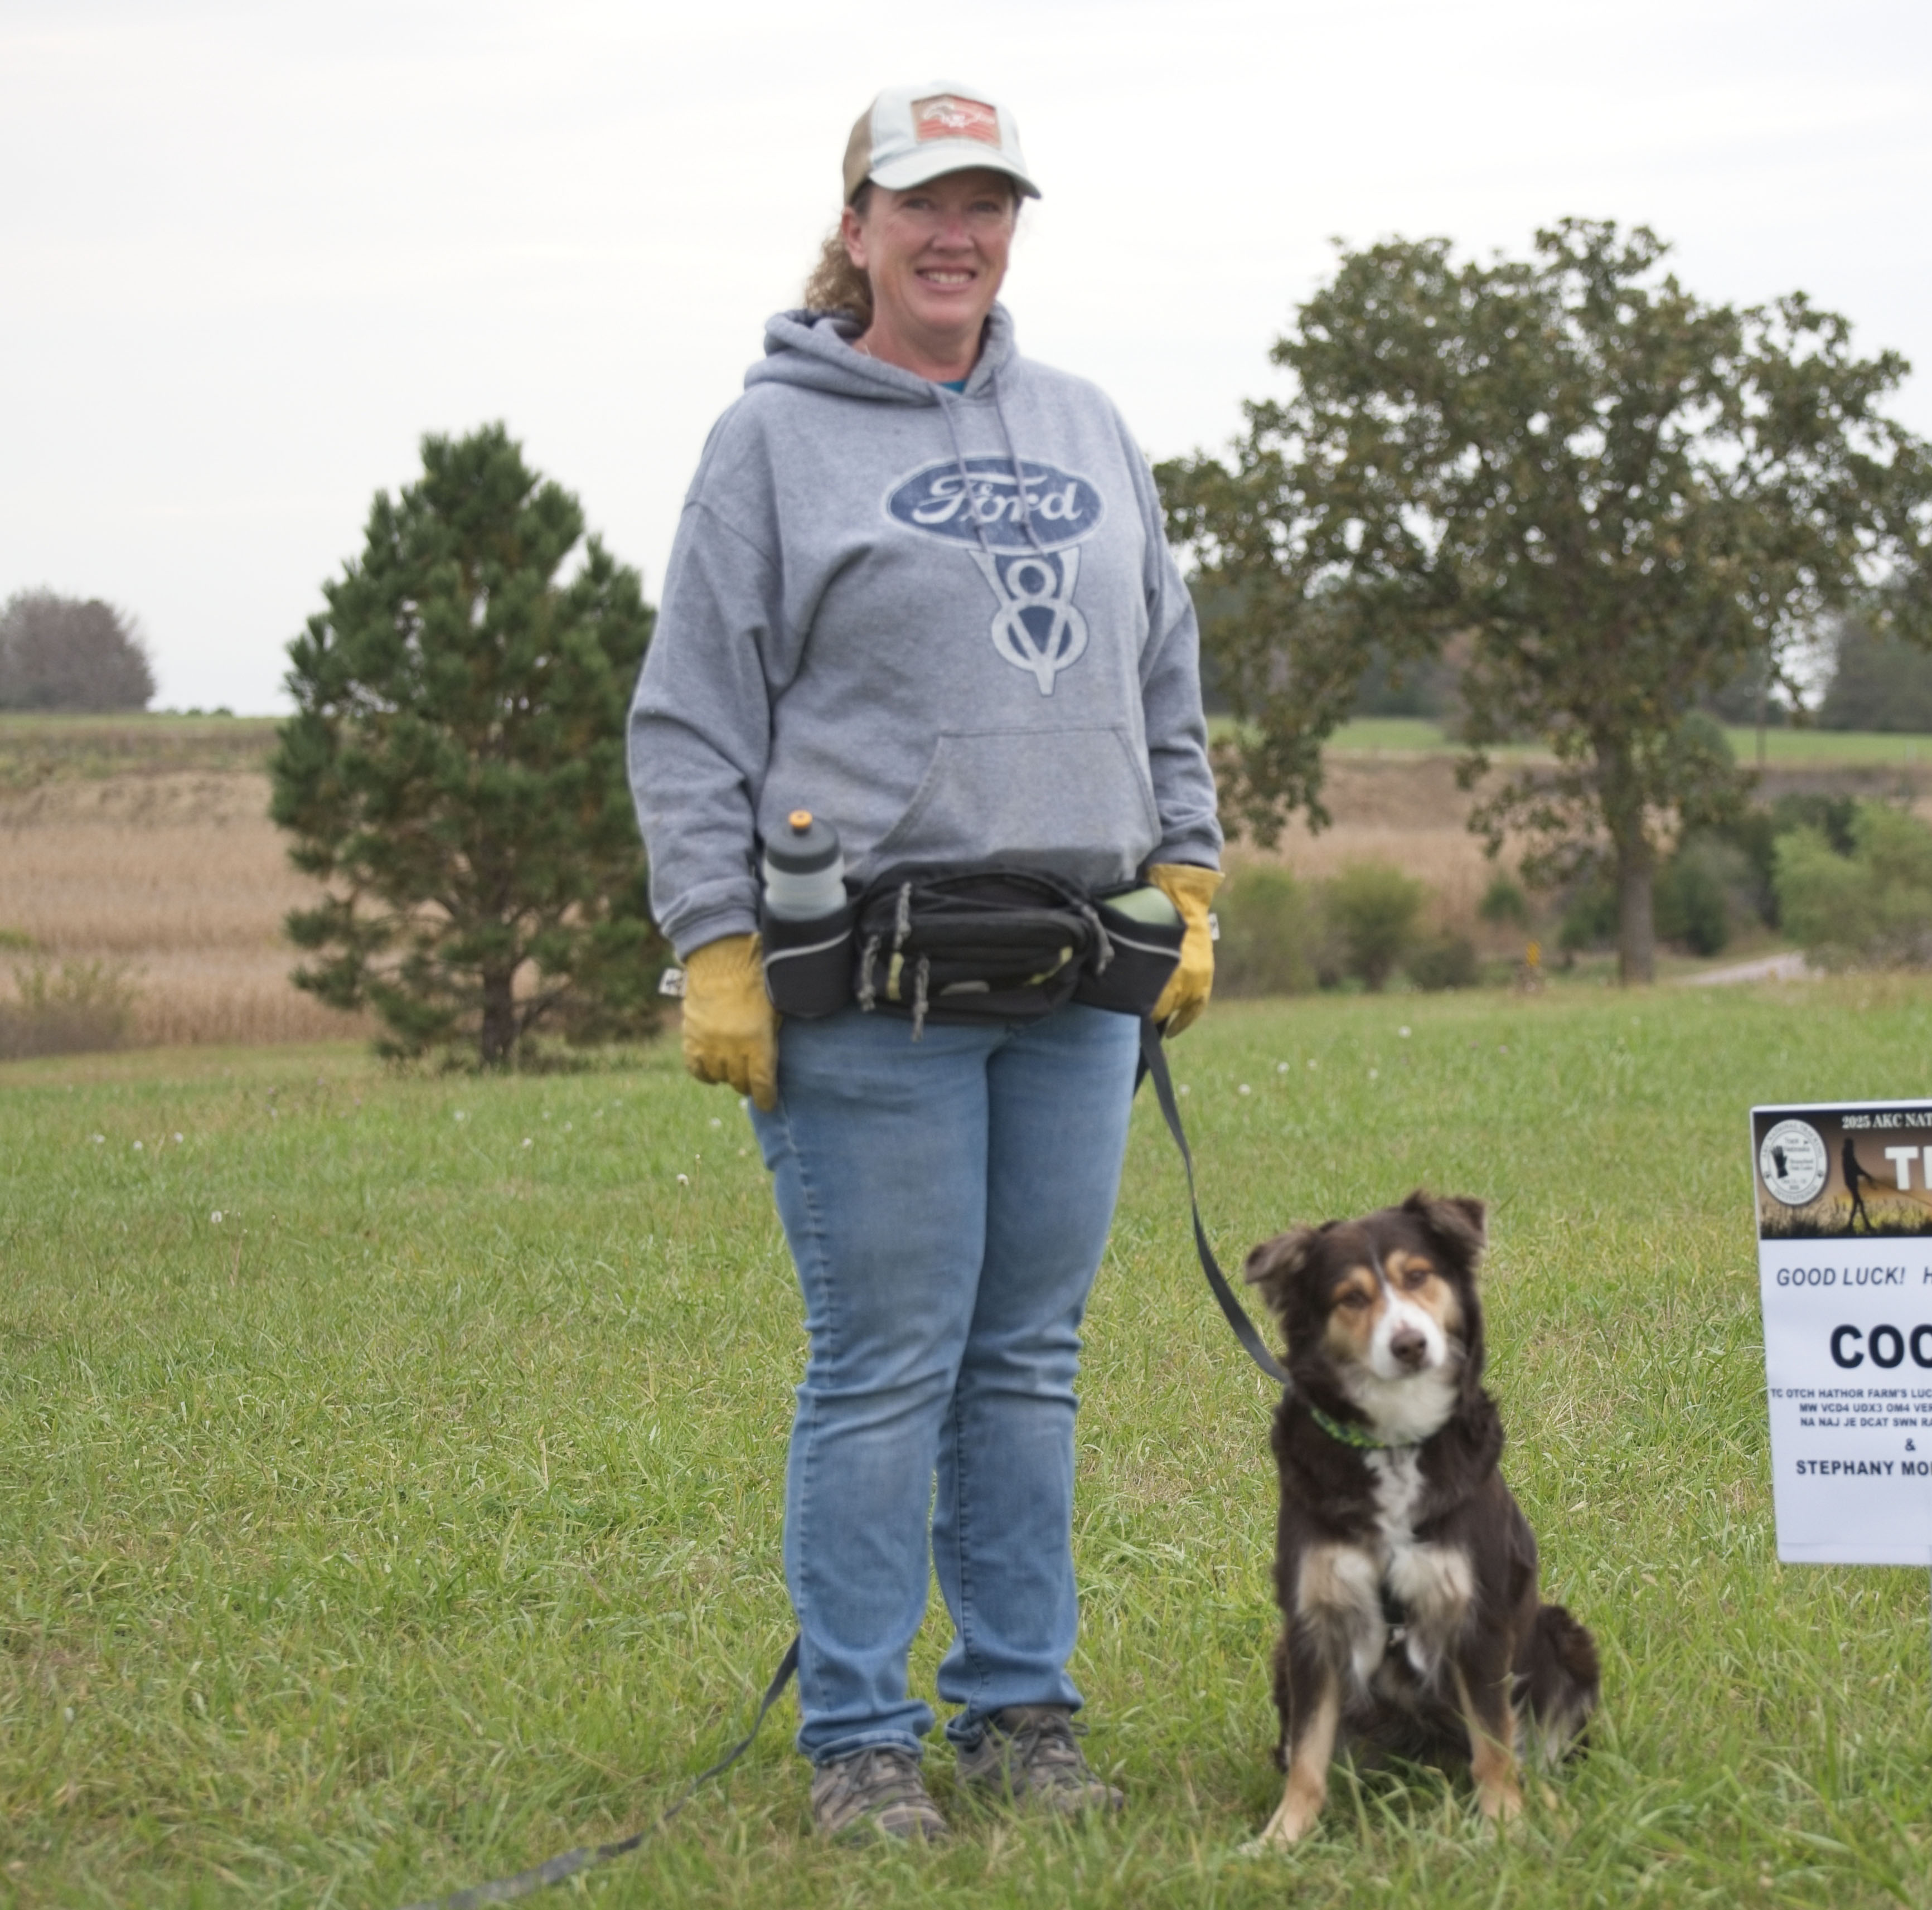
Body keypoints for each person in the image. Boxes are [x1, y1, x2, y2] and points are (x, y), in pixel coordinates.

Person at [625, 81, 1221, 1844]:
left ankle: (1023, 1711)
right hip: (870, 987)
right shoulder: (769, 443)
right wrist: (712, 943)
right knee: (887, 1361)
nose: (956, 233)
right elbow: (690, 717)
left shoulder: (1090, 422)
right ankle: (862, 1738)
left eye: (987, 202)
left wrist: (1186, 865)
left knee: (1027, 1356)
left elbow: (1163, 665)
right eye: (921, 203)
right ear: (858, 226)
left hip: (1073, 977)